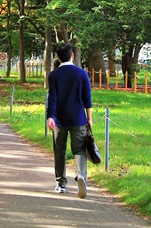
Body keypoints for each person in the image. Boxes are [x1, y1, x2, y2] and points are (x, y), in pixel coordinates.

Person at [47, 43, 92, 198]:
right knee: (79, 150)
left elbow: (52, 98)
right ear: (72, 55)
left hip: (59, 119)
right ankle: (81, 176)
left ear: (58, 58)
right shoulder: (82, 74)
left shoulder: (54, 75)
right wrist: (89, 119)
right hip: (78, 118)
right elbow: (87, 99)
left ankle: (60, 183)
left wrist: (50, 117)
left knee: (59, 151)